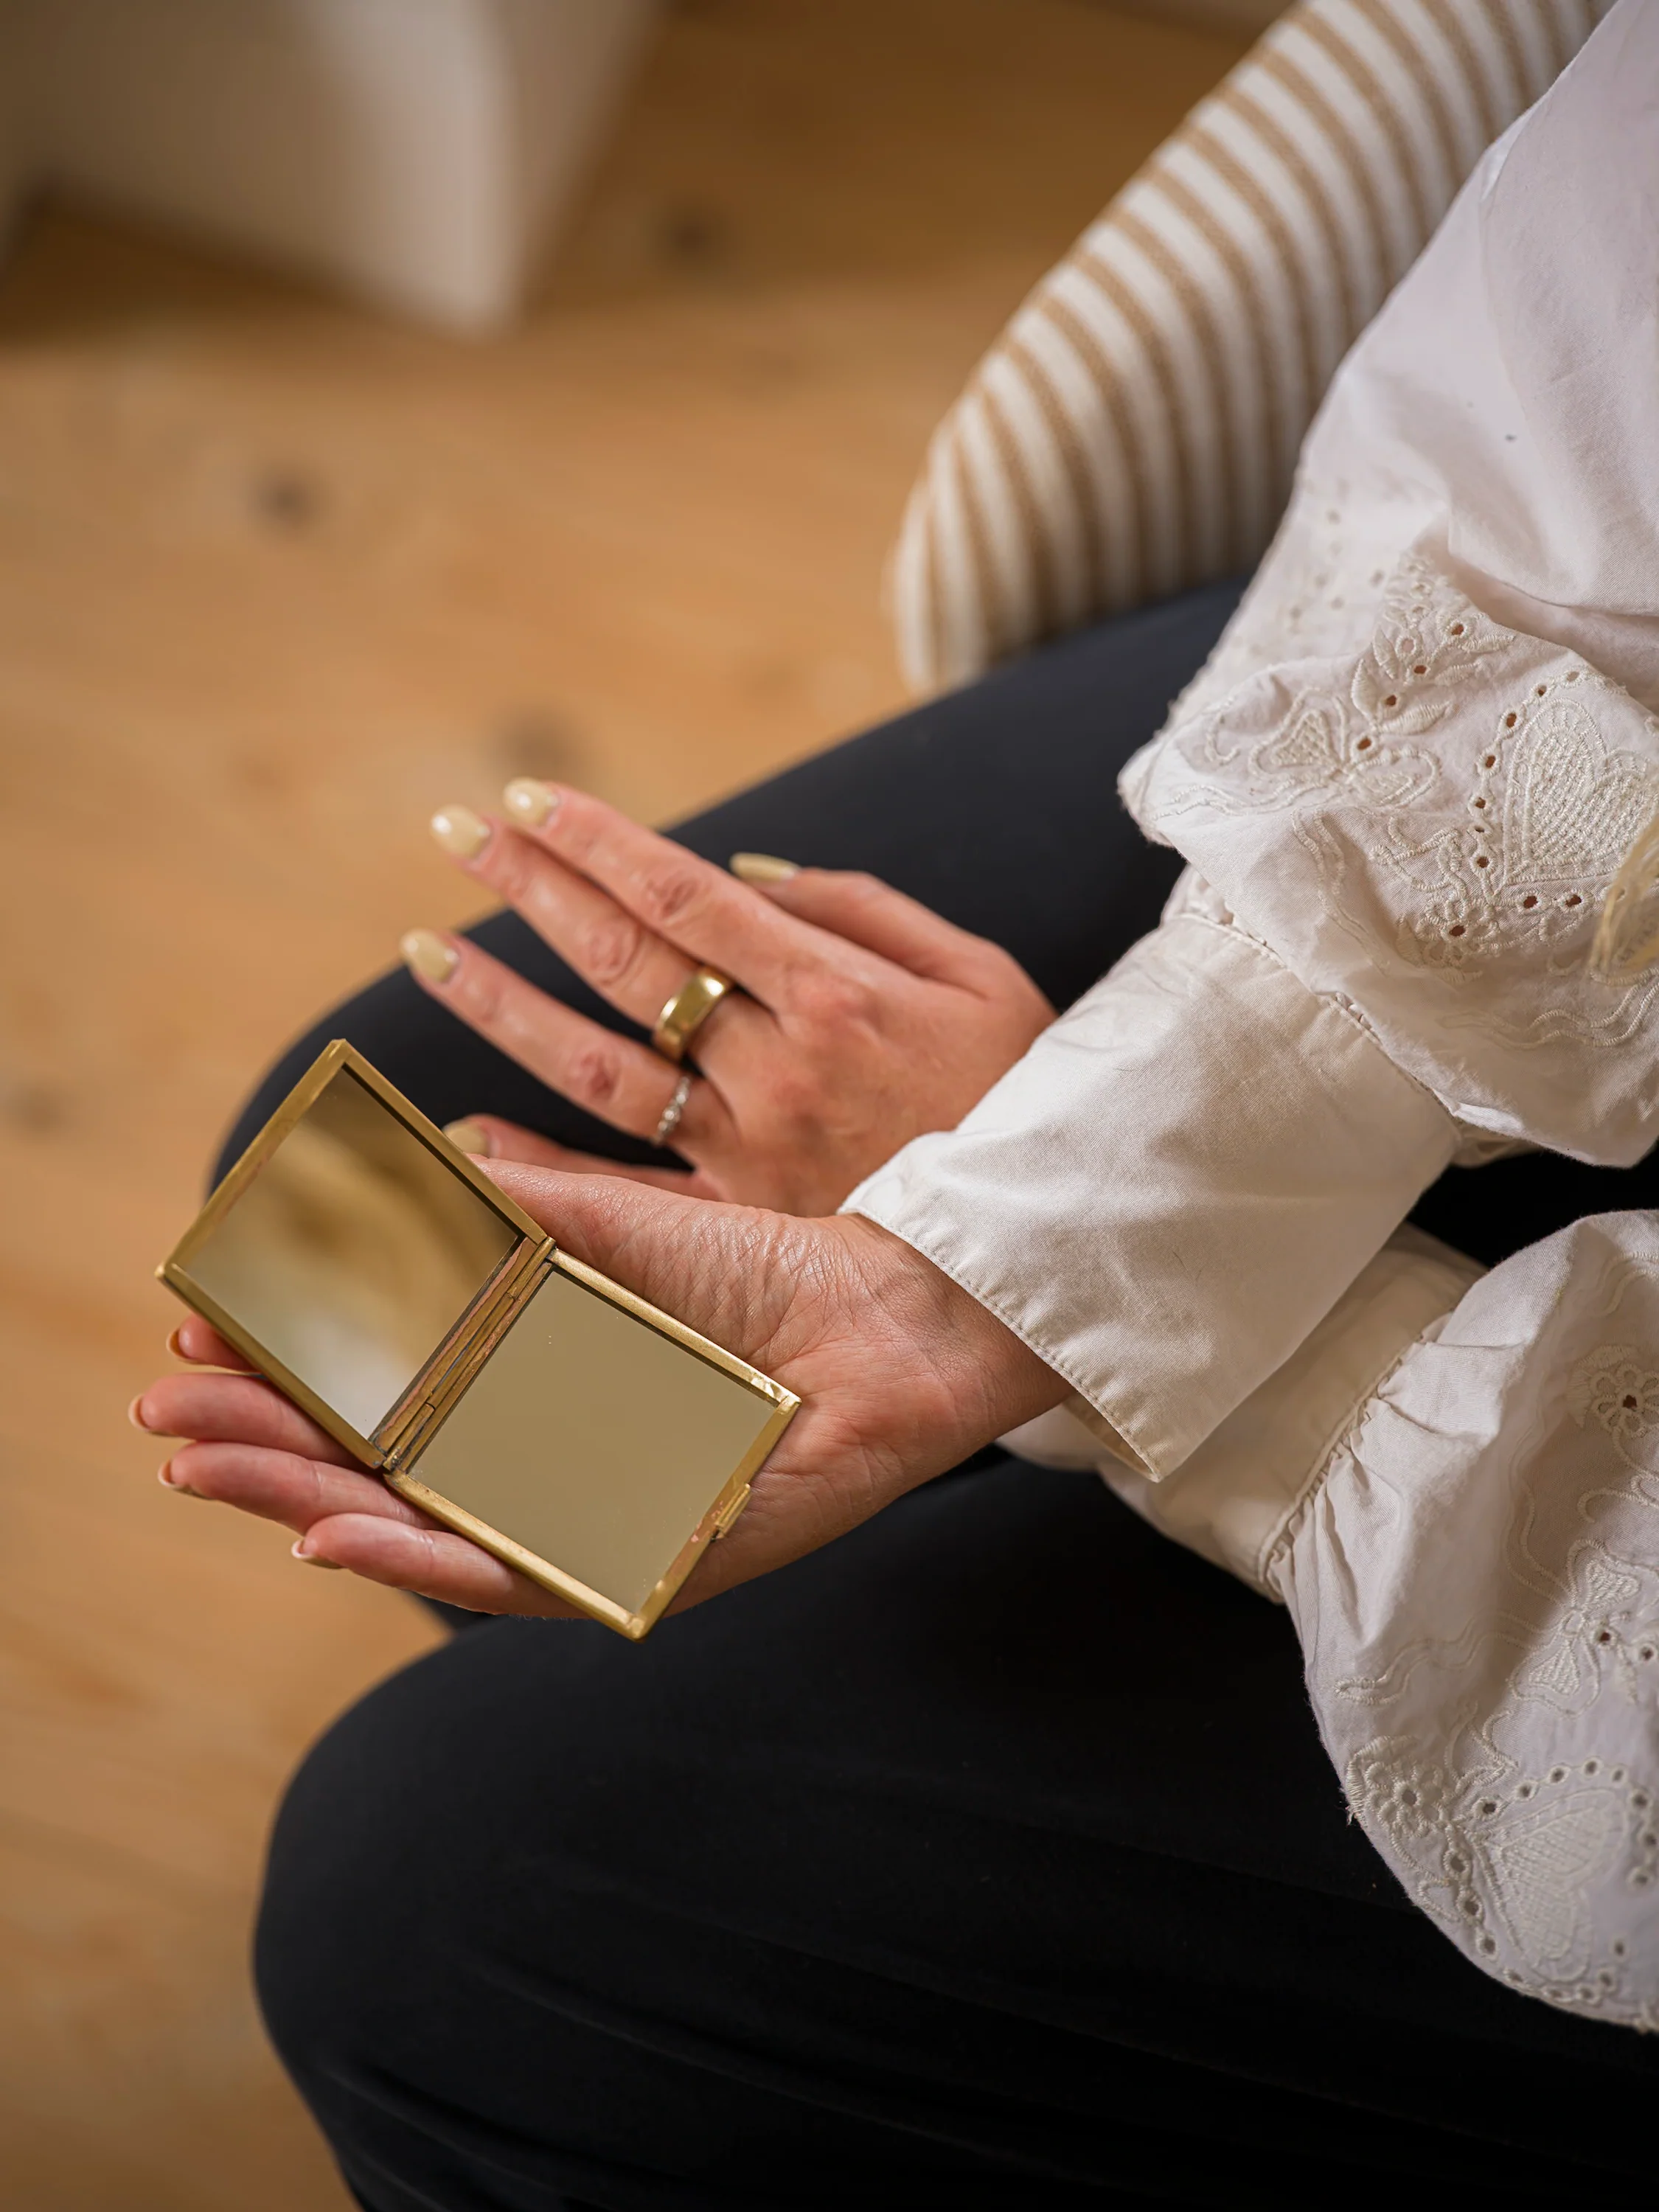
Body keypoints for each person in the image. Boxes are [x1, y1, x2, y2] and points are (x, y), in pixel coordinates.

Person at [132, 7, 1659, 2202]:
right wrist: (1005, 1248)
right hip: (1561, 671)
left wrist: (1124, 1336)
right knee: (377, 1179)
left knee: (439, 1901)